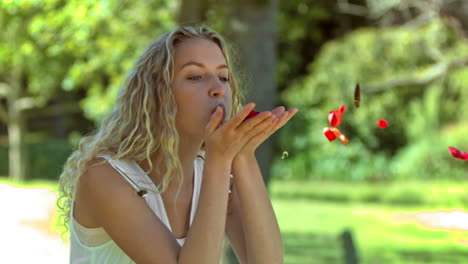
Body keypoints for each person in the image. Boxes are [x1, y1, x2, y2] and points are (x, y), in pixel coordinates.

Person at [57, 26, 298, 264]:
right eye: (195, 76)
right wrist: (221, 160)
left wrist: (244, 155)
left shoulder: (215, 173)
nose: (217, 89)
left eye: (223, 77)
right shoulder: (104, 178)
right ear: (158, 94)